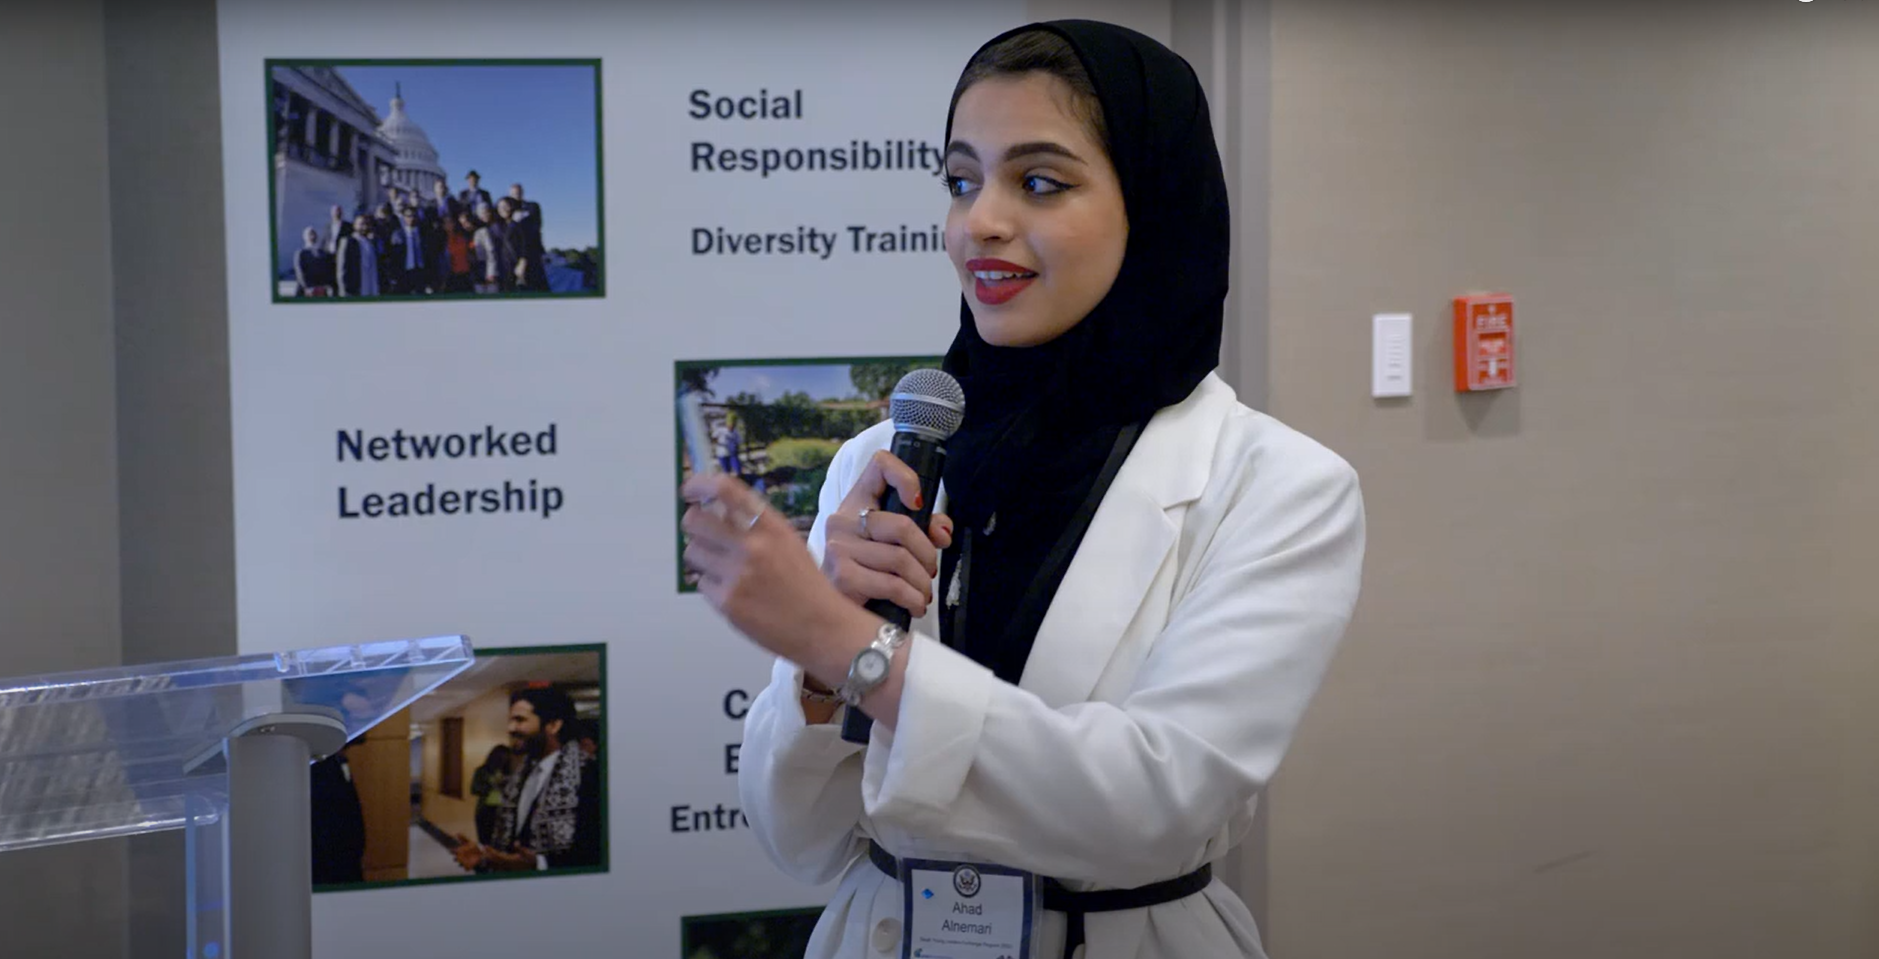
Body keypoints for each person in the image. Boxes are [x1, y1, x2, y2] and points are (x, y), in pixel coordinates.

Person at [682, 20, 1365, 959]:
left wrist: (850, 647)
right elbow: (795, 839)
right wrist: (814, 674)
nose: (980, 222)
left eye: (1038, 181)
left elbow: (1150, 805)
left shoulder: (1281, 486)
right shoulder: (884, 458)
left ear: (1153, 205)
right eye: (961, 181)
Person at [452, 687, 602, 873]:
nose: (510, 728)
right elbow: (515, 841)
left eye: (520, 720)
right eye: (511, 720)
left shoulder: (591, 776)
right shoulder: (522, 774)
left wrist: (538, 864)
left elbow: (597, 852)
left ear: (553, 725)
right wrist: (485, 856)